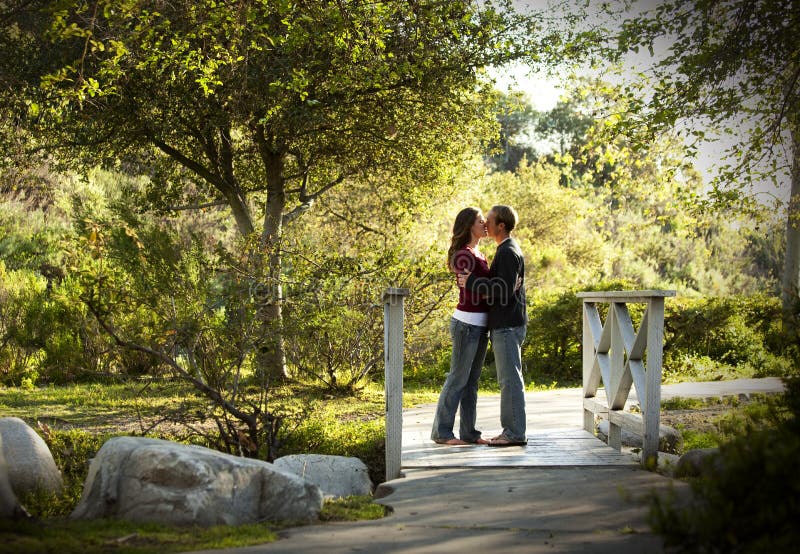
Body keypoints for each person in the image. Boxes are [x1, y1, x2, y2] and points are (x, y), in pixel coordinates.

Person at [459, 205, 528, 447]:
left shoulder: (508, 252)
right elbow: (503, 286)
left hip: (507, 325)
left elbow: (503, 290)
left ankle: (514, 433)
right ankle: (510, 431)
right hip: (504, 323)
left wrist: (472, 282)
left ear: (501, 225)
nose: (485, 224)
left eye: (489, 220)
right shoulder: (505, 250)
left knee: (510, 380)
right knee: (508, 379)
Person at [430, 207, 492, 445]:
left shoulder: (479, 252)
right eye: (480, 220)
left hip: (480, 325)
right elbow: (472, 290)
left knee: (471, 382)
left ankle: (469, 433)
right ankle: (442, 433)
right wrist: (498, 290)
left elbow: (479, 286)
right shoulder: (463, 254)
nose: (485, 222)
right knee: (457, 379)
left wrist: (489, 288)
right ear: (468, 225)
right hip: (466, 324)